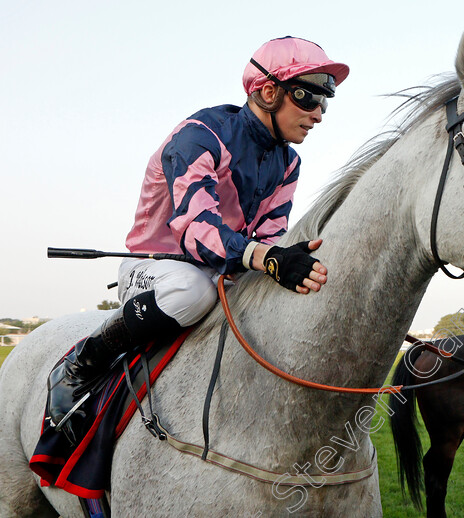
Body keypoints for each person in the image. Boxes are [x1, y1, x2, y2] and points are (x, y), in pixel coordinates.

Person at [47, 37, 349, 444]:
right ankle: (80, 363)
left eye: (325, 103)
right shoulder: (199, 136)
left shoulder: (289, 162)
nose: (318, 114)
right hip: (157, 270)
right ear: (268, 91)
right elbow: (197, 233)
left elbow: (270, 236)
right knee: (192, 291)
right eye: (309, 99)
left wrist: (289, 261)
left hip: (223, 271)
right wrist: (268, 258)